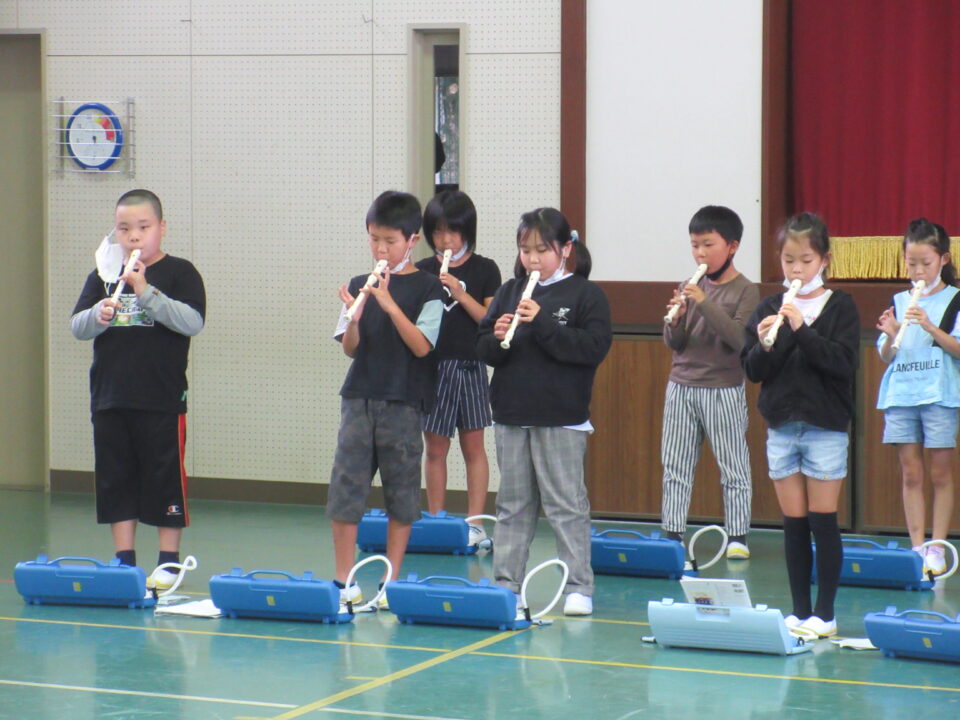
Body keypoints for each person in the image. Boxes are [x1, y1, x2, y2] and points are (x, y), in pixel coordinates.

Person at [477, 208, 612, 616]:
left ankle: (578, 587)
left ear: (565, 249)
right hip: (511, 412)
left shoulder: (586, 295)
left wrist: (544, 323)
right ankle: (507, 584)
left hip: (561, 416)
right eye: (525, 250)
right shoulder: (509, 291)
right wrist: (498, 336)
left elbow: (592, 349)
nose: (532, 259)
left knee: (566, 505)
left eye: (542, 250)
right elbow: (484, 349)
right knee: (513, 505)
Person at [70, 189, 206, 589]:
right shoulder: (103, 276)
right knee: (116, 479)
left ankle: (168, 562)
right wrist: (98, 314)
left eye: (143, 227)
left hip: (161, 398)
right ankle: (124, 560)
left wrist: (145, 291)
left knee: (165, 477)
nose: (133, 236)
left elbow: (192, 321)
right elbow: (77, 326)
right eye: (124, 228)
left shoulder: (180, 272)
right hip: (110, 396)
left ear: (161, 228)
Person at [741, 212, 859, 638]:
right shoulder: (767, 308)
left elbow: (841, 363)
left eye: (806, 261)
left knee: (822, 521)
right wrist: (765, 341)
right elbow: (754, 370)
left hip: (824, 426)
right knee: (793, 524)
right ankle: (799, 610)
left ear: (823, 260)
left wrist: (800, 328)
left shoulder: (840, 306)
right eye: (788, 260)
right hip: (781, 427)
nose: (796, 269)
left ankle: (825, 614)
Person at [329, 190, 444, 606]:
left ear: (412, 240)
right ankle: (344, 580)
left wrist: (389, 303)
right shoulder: (359, 284)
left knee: (402, 493)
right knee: (346, 490)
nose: (381, 249)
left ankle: (389, 581)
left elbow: (422, 346)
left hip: (403, 401)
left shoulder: (429, 289)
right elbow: (351, 348)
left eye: (390, 241)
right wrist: (355, 319)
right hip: (359, 397)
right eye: (374, 239)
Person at [661, 205, 759, 558]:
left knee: (733, 467)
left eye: (708, 245)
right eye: (694, 245)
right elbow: (674, 343)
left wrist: (703, 303)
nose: (700, 253)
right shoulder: (688, 286)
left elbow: (739, 340)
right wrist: (676, 321)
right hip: (681, 385)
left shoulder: (746, 290)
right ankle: (672, 534)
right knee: (675, 466)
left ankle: (737, 537)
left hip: (723, 388)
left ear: (732, 246)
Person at [415, 191, 502, 546]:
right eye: (437, 231)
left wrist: (460, 293)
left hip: (471, 366)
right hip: (433, 368)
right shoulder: (423, 270)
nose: (445, 239)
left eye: (452, 231)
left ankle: (475, 525)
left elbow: (491, 321)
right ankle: (436, 520)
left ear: (467, 231)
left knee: (473, 448)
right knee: (435, 450)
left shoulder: (485, 269)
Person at [876, 218, 960, 576]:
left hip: (939, 394)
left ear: (943, 259)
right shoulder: (899, 300)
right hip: (902, 394)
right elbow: (886, 355)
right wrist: (892, 333)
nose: (918, 271)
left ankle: (937, 547)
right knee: (911, 473)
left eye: (925, 263)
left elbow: (957, 349)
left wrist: (928, 325)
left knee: (940, 472)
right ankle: (916, 547)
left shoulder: (954, 299)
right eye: (912, 264)